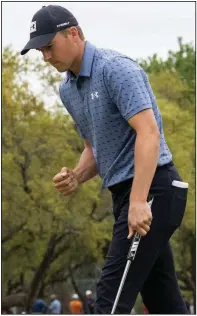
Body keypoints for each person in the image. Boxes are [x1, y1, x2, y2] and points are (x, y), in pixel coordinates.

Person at [21, 5, 189, 314]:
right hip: (128, 196)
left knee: (109, 303)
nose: (44, 56)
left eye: (48, 46)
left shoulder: (115, 68)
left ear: (73, 33)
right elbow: (94, 148)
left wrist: (139, 202)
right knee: (164, 304)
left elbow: (148, 133)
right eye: (39, 50)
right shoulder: (67, 89)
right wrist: (77, 174)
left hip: (154, 191)